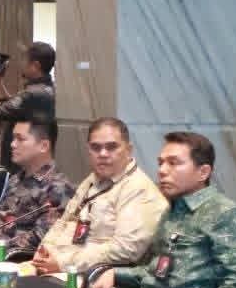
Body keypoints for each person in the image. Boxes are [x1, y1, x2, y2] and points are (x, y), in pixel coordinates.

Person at [91, 132, 236, 288]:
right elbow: (156, 271)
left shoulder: (226, 214)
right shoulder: (173, 210)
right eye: (161, 163)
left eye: (173, 163)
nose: (162, 170)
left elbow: (235, 282)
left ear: (203, 172)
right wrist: (115, 274)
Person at [33, 117, 166, 275]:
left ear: (129, 149)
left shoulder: (138, 188)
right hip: (58, 267)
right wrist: (44, 251)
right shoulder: (93, 179)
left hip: (94, 278)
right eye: (96, 147)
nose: (103, 154)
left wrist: (62, 263)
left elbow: (125, 249)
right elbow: (64, 221)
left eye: (111, 147)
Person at [0, 118, 75, 257]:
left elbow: (39, 239)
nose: (12, 144)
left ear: (43, 146)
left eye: (20, 139)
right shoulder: (16, 179)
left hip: (11, 259)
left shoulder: (58, 188)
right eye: (13, 138)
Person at [0, 41, 56, 166]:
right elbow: (8, 107)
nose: (21, 64)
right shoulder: (44, 88)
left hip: (24, 163)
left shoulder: (33, 94)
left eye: (24, 60)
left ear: (35, 65)